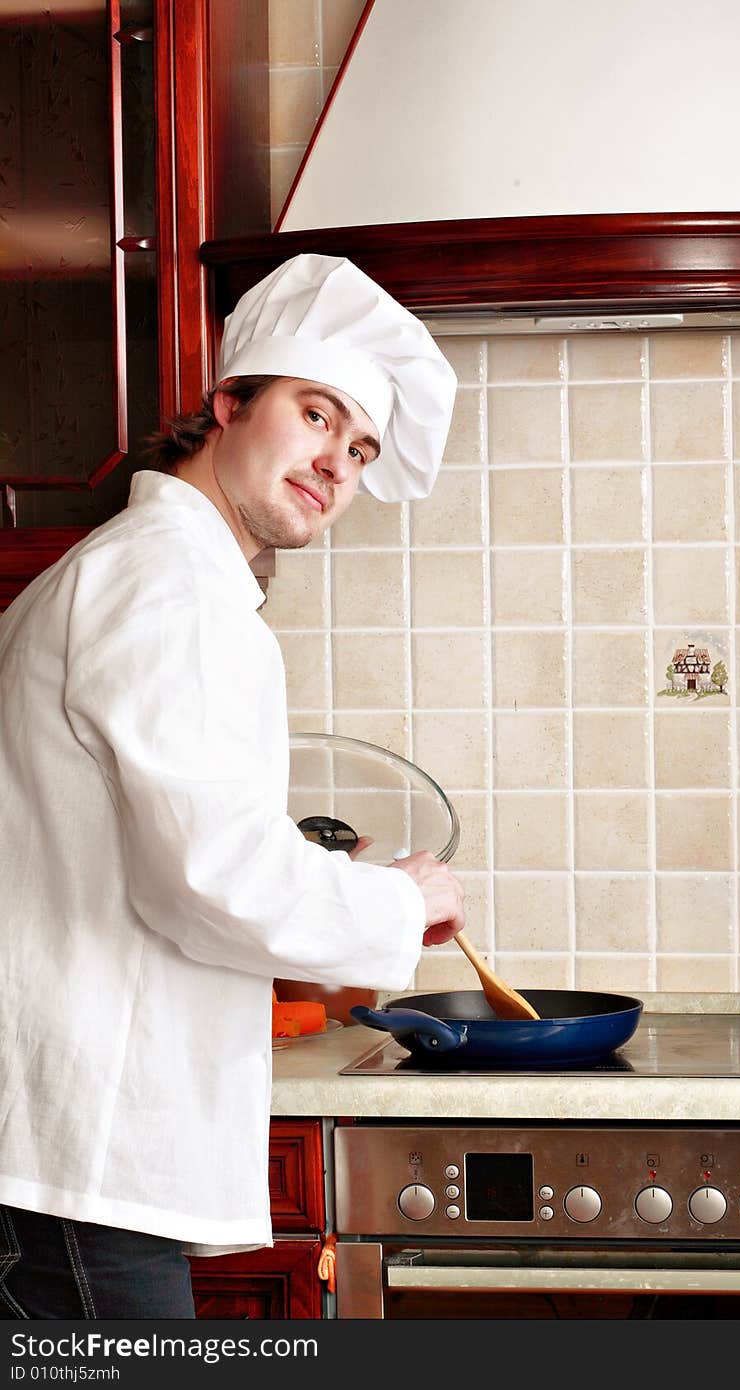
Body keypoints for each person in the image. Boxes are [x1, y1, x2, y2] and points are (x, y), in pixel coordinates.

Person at [0, 253, 465, 1319]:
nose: (335, 463)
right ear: (228, 404)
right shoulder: (171, 587)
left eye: (358, 448)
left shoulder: (136, 569)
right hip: (81, 1153)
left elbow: (160, 844)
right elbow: (210, 875)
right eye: (314, 416)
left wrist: (339, 888)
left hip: (68, 1148)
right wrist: (402, 900)